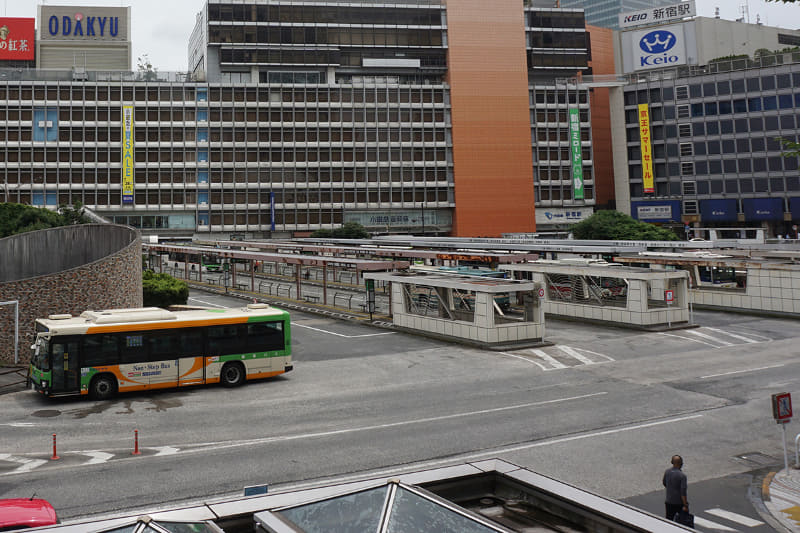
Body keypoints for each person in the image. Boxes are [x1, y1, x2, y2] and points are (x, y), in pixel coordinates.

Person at [663, 455, 688, 521]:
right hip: (679, 503)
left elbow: (664, 483)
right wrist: (685, 505)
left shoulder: (667, 472)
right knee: (682, 521)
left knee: (668, 520)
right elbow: (683, 492)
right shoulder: (682, 476)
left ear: (672, 462)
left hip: (668, 501)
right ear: (681, 463)